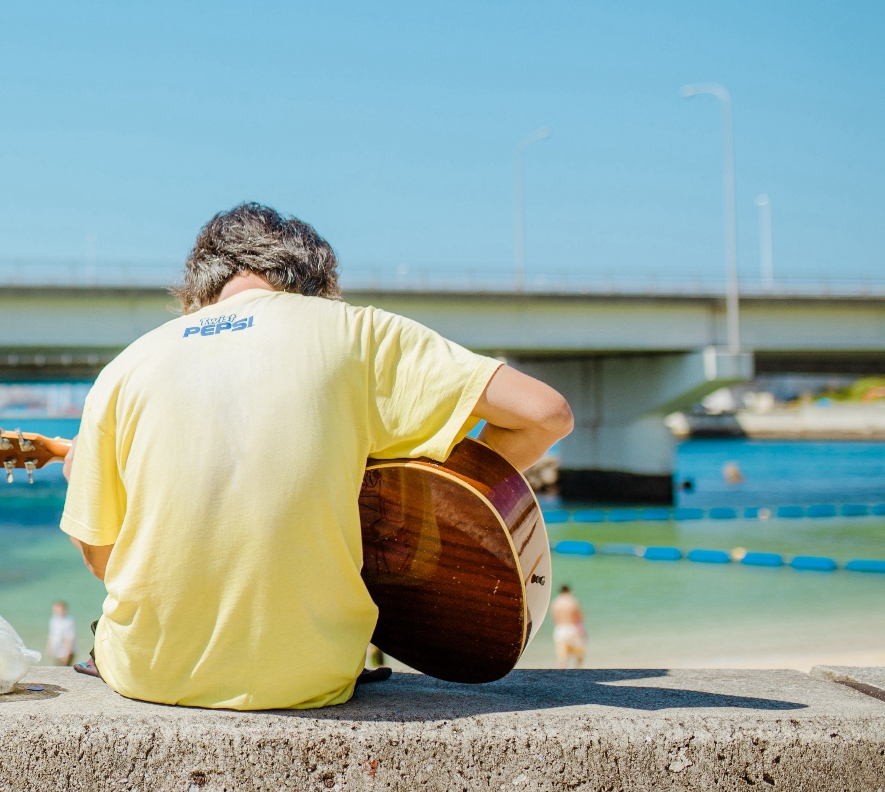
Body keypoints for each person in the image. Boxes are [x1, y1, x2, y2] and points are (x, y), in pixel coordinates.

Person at [59, 203, 573, 710]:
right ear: (314, 280)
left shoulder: (124, 368)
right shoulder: (355, 332)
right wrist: (436, 506)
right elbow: (546, 415)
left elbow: (108, 565)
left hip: (148, 676)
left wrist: (81, 476)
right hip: (310, 677)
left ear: (196, 287)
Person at [551, 584, 588, 668]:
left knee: (562, 659)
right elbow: (579, 617)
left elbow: (555, 619)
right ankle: (577, 672)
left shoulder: (555, 603)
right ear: (569, 591)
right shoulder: (573, 601)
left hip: (559, 630)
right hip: (572, 629)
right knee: (580, 655)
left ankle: (562, 677)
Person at [46, 601, 77, 666]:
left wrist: (66, 654)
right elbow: (51, 634)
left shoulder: (68, 621)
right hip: (56, 650)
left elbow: (70, 638)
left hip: (66, 651)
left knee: (65, 669)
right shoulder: (53, 619)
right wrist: (49, 648)